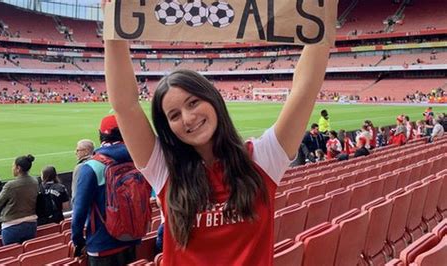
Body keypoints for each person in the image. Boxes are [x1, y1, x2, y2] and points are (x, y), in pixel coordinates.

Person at [102, 0, 332, 261]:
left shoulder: (262, 159)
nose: (188, 118)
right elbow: (125, 106)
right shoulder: (164, 170)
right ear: (167, 127)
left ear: (212, 99)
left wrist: (322, 16)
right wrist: (113, 32)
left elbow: (305, 89)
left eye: (193, 102)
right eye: (174, 115)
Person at [72, 115, 141, 265]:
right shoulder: (138, 160)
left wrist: (78, 241)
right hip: (132, 239)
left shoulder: (92, 167)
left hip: (101, 245)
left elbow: (79, 211)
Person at [0, 155, 39, 245]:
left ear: (18, 168)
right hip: (31, 223)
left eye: (13, 166)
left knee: (11, 254)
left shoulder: (11, 185)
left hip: (12, 225)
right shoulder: (35, 181)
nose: (12, 168)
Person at [71, 139, 94, 205]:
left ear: (86, 152)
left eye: (78, 150)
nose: (75, 152)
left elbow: (76, 194)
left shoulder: (80, 167)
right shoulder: (98, 162)